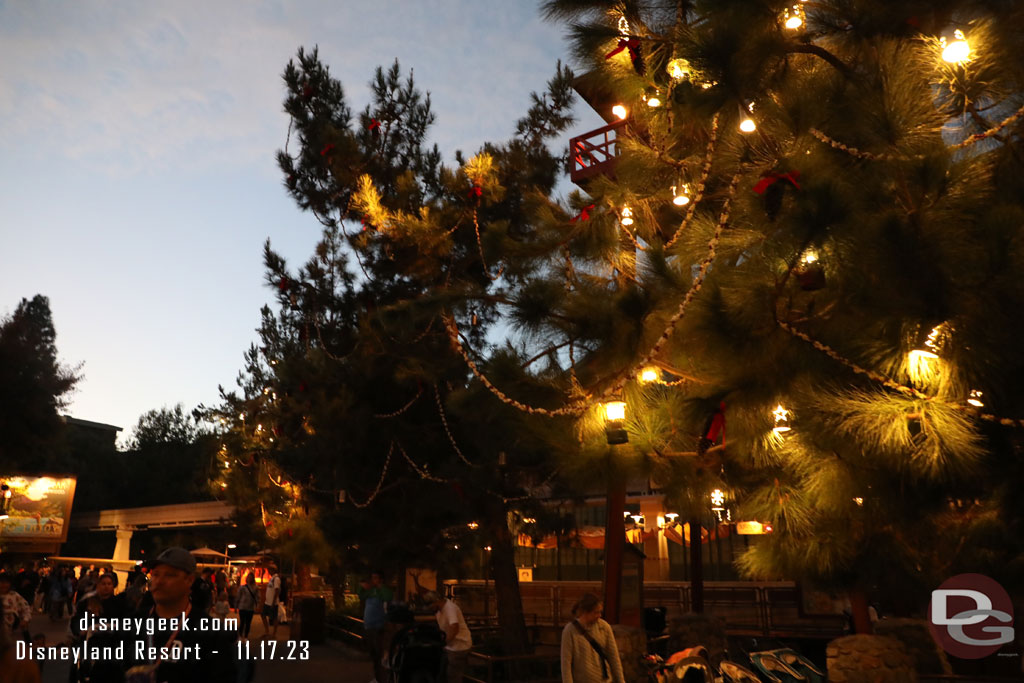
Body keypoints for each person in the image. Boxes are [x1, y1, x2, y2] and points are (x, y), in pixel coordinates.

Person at [122, 547, 237, 683]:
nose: (159, 581)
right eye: (156, 574)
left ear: (189, 580)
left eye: (169, 575)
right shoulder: (132, 623)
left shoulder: (210, 633)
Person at [69, 573, 125, 683]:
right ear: (98, 585)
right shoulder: (87, 601)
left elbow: (125, 621)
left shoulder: (119, 603)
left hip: (112, 645)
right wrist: (80, 630)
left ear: (113, 586)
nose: (106, 586)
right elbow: (76, 619)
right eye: (103, 584)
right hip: (90, 643)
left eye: (109, 584)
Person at [560, 593, 625, 683]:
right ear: (586, 612)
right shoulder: (570, 631)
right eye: (596, 612)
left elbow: (613, 657)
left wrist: (621, 681)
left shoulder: (604, 627)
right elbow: (566, 664)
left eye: (600, 612)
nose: (599, 615)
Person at [424, 591, 472, 683]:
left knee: (452, 676)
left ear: (437, 601)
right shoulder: (438, 610)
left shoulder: (450, 608)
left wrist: (444, 642)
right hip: (450, 645)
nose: (431, 609)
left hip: (459, 646)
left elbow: (454, 628)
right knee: (442, 674)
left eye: (432, 606)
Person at [358, 571, 394, 683]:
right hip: (368, 625)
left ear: (380, 579)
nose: (373, 580)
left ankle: (381, 678)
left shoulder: (383, 591)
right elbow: (361, 595)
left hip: (378, 626)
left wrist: (380, 587)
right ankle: (377, 677)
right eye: (372, 578)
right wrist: (362, 587)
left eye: (375, 578)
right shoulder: (370, 591)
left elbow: (388, 597)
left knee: (379, 654)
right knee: (373, 654)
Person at [0, 573, 32, 638]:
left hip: (9, 628)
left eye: (6, 582)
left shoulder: (14, 595)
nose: (4, 585)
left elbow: (26, 608)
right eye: (1, 582)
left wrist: (25, 619)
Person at [235, 574, 258, 639]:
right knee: (242, 622)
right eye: (248, 578)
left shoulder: (255, 587)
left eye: (250, 578)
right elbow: (238, 597)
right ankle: (240, 635)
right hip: (242, 606)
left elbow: (257, 597)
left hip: (250, 608)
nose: (249, 579)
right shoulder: (242, 587)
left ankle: (245, 636)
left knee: (248, 623)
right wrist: (236, 606)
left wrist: (256, 606)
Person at [260, 567, 281, 638]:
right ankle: (267, 631)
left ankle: (274, 634)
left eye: (269, 570)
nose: (268, 571)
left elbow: (276, 590)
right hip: (267, 602)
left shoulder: (276, 579)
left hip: (273, 602)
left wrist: (273, 602)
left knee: (274, 617)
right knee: (263, 615)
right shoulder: (272, 578)